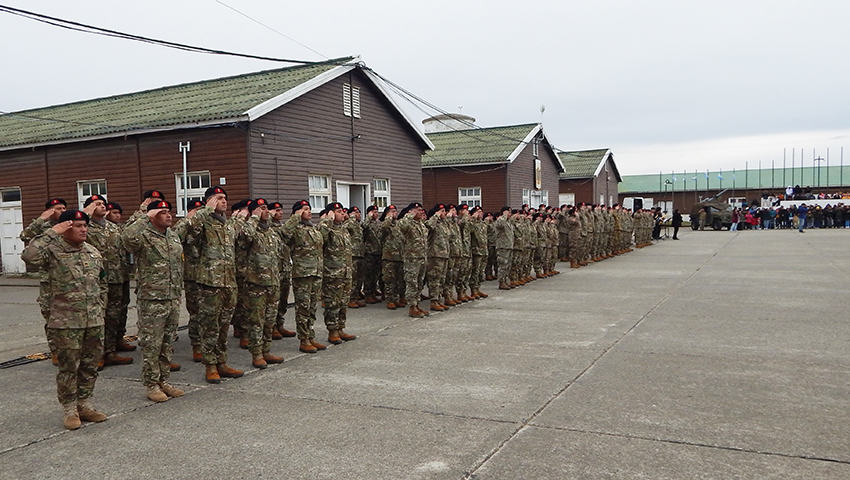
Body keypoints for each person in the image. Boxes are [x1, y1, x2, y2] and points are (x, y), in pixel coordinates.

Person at [21, 210, 109, 430]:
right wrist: (52, 232)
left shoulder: (92, 251)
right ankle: (70, 409)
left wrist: (101, 308)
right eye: (78, 226)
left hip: (94, 319)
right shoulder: (51, 250)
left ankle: (85, 404)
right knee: (69, 367)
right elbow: (28, 256)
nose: (84, 229)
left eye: (85, 225)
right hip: (66, 321)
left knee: (90, 365)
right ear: (65, 228)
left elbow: (102, 282)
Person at [122, 200, 187, 402]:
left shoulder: (173, 236)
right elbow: (126, 237)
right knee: (152, 343)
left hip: (172, 296)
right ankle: (151, 384)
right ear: (153, 216)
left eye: (169, 212)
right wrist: (146, 216)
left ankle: (163, 380)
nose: (169, 216)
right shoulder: (143, 236)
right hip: (152, 299)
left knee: (167, 342)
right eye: (163, 212)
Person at [183, 186, 244, 383]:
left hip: (229, 283)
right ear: (209, 201)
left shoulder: (227, 225)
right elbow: (185, 230)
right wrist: (205, 210)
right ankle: (210, 366)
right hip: (210, 284)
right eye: (219, 198)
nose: (224, 201)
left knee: (224, 326)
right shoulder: (203, 222)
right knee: (210, 327)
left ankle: (222, 362)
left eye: (225, 197)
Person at [82, 194, 134, 368]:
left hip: (119, 276)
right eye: (97, 204)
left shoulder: (113, 227)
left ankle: (113, 346)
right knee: (100, 317)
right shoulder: (84, 226)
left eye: (103, 203)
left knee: (116, 314)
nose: (103, 206)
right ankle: (99, 354)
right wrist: (85, 214)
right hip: (99, 279)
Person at [237, 198, 286, 368]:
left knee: (269, 320)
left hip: (272, 282)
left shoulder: (271, 232)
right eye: (262, 208)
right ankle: (256, 354)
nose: (266, 211)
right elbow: (245, 238)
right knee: (256, 321)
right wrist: (254, 217)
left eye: (266, 208)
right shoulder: (249, 229)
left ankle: (266, 350)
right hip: (255, 283)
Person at [282, 200, 327, 353]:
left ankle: (310, 336)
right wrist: (295, 217)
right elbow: (284, 235)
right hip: (302, 274)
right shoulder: (294, 227)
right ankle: (303, 340)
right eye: (305, 209)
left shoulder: (312, 228)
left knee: (312, 307)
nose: (309, 211)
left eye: (309, 209)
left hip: (315, 272)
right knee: (303, 308)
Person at [319, 202, 357, 344]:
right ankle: (332, 331)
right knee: (332, 304)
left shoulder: (343, 229)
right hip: (333, 273)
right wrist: (327, 220)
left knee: (343, 303)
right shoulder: (326, 229)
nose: (343, 213)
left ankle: (341, 328)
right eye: (339, 211)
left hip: (346, 273)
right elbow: (320, 239)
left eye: (343, 211)